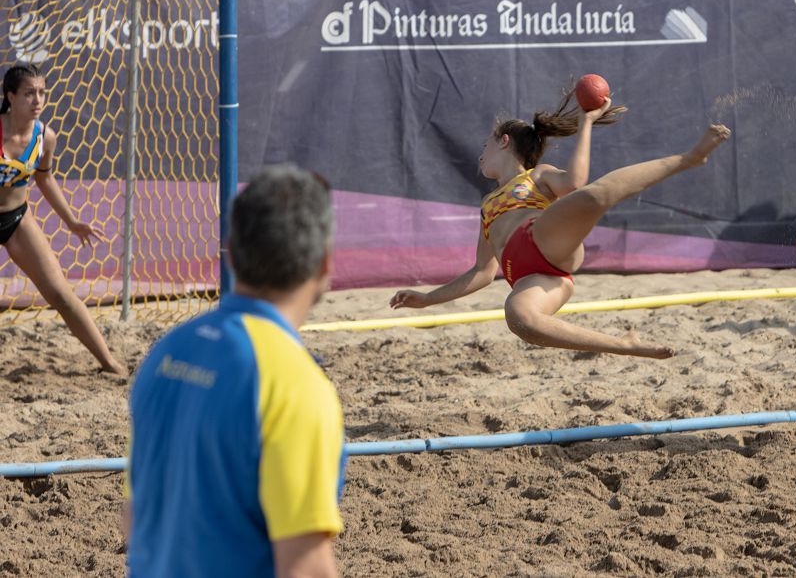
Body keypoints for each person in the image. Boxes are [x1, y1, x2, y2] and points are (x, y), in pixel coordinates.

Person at [390, 84, 731, 358]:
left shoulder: (538, 175)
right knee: (519, 319)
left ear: (503, 141)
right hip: (530, 277)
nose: (480, 154)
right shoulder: (487, 204)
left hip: (542, 237)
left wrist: (586, 123)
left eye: (485, 145)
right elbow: (481, 272)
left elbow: (576, 182)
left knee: (594, 195)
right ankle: (624, 345)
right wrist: (427, 299)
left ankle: (689, 158)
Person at [124, 164, 345, 578]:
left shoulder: (166, 352)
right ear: (324, 265)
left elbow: (136, 517)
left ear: (231, 249)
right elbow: (305, 567)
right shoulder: (294, 384)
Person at [0, 64, 125, 375]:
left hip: (17, 220)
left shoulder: (45, 136)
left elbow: (45, 178)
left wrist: (71, 222)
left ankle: (109, 363)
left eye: (42, 93)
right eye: (29, 93)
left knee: (61, 295)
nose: (38, 100)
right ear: (10, 96)